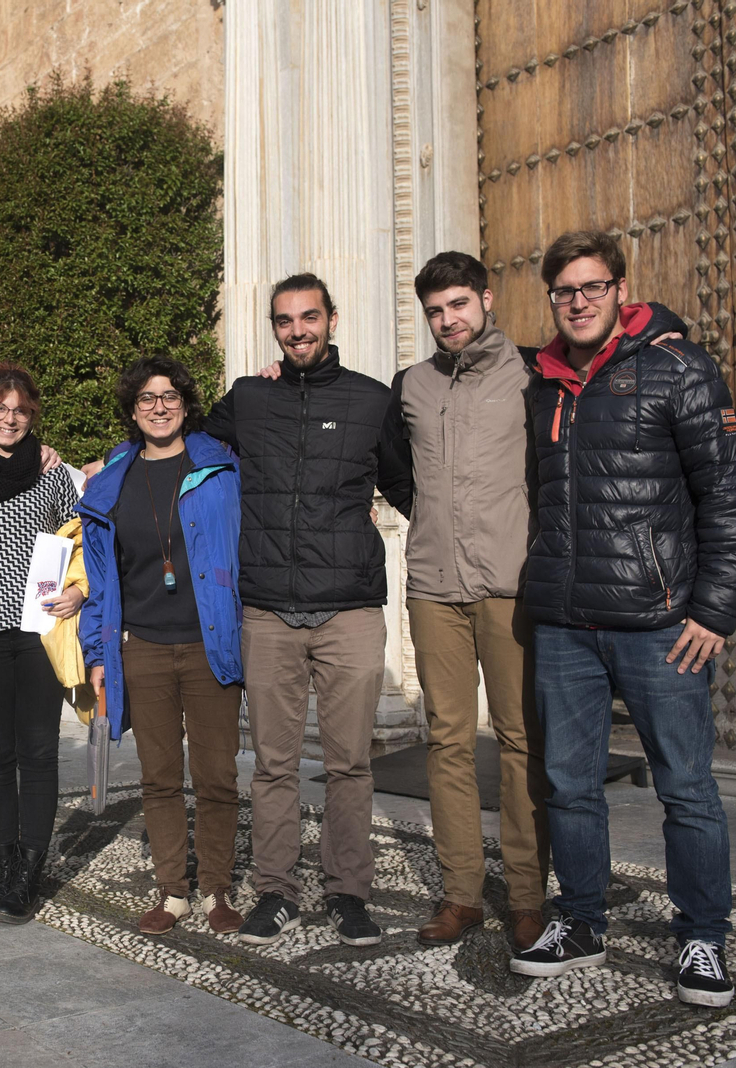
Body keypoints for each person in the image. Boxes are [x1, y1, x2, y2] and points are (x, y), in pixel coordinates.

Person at [508, 230, 736, 1010]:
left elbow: (728, 496)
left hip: (658, 623)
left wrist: (715, 608)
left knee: (686, 787)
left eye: (591, 287)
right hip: (562, 623)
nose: (577, 302)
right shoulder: (541, 384)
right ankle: (580, 921)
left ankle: (704, 939)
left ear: (620, 289)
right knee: (568, 785)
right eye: (563, 292)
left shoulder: (678, 369)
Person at [203, 273, 411, 947]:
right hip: (267, 611)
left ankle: (348, 893)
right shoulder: (248, 400)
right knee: (273, 764)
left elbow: (413, 490)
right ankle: (275, 891)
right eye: (285, 321)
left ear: (333, 318)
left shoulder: (372, 402)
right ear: (273, 329)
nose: (298, 330)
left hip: (349, 610)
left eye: (309, 317)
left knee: (351, 762)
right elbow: (182, 447)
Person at [380, 251, 551, 952]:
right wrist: (426, 518)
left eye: (458, 304)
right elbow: (393, 464)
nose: (448, 320)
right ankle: (461, 894)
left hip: (512, 583)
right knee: (447, 741)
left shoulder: (535, 373)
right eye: (435, 311)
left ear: (486, 298)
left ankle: (528, 894)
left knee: (518, 739)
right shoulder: (412, 385)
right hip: (433, 585)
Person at [79, 356, 245, 935]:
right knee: (159, 775)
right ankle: (174, 889)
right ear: (132, 409)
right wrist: (96, 654)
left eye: (169, 395)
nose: (159, 405)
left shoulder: (222, 467)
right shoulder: (111, 481)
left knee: (218, 774)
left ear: (185, 403)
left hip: (210, 643)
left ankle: (217, 888)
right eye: (147, 397)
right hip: (142, 648)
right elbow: (100, 578)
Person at [0, 363, 81, 924]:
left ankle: (29, 869)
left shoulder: (52, 475)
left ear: (32, 417)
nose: (10, 418)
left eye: (21, 410)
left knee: (38, 751)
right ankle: (4, 865)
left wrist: (78, 590)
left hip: (39, 630)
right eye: (0, 409)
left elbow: (84, 540)